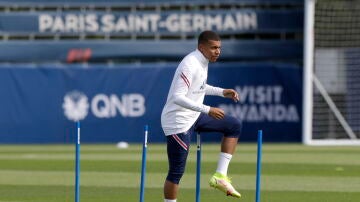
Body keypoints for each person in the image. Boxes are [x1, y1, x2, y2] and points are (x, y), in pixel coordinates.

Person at [161, 30, 242, 202]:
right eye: (213, 48)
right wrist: (207, 109)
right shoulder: (189, 64)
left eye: (219, 48)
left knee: (233, 125)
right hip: (178, 121)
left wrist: (222, 92)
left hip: (195, 115)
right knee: (176, 172)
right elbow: (178, 97)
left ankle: (220, 176)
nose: (217, 51)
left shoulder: (203, 61)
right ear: (201, 47)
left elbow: (200, 86)